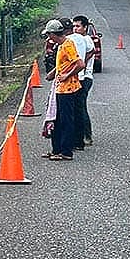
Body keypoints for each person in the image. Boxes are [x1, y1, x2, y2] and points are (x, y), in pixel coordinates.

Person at [41, 19, 84, 161]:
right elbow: (64, 64)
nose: (48, 38)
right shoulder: (60, 46)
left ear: (54, 34)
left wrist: (67, 75)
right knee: (56, 119)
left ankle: (66, 151)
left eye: (49, 35)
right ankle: (56, 149)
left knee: (66, 120)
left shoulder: (67, 45)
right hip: (60, 87)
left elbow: (80, 64)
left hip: (68, 88)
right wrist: (53, 73)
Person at [72, 15, 95, 146]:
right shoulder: (77, 39)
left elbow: (91, 53)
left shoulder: (86, 39)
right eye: (74, 26)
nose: (75, 29)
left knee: (80, 107)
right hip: (79, 76)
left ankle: (86, 135)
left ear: (85, 27)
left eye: (78, 26)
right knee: (78, 106)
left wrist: (81, 64)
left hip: (85, 77)